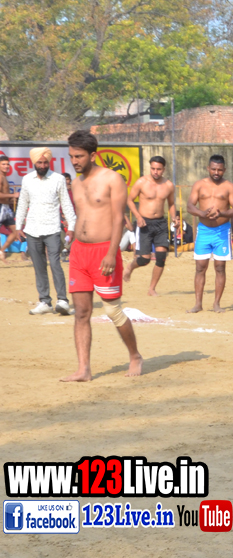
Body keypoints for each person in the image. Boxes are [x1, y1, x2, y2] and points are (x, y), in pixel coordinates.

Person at [60, 130, 142, 381]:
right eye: (71, 156)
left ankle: (135, 356)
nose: (74, 161)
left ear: (93, 155)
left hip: (104, 251)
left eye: (79, 156)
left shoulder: (112, 179)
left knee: (112, 310)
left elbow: (118, 219)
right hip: (79, 253)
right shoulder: (75, 183)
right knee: (81, 312)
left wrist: (111, 252)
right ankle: (83, 369)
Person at [14, 147, 76, 315]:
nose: (42, 165)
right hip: (32, 229)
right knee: (39, 266)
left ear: (49, 162)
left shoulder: (58, 179)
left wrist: (71, 227)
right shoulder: (27, 179)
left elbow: (66, 203)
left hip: (52, 228)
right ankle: (45, 302)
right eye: (39, 162)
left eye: (45, 162)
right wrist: (19, 226)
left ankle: (62, 300)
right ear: (34, 163)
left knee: (55, 263)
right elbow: (22, 204)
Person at [186, 154, 233, 313]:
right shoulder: (199, 185)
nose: (216, 172)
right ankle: (198, 303)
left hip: (222, 231)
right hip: (204, 230)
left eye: (220, 170)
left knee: (220, 267)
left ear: (224, 170)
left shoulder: (229, 186)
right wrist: (202, 213)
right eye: (213, 169)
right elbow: (190, 206)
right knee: (200, 267)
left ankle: (217, 303)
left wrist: (222, 214)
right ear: (208, 168)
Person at [123, 155, 176, 297]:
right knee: (144, 259)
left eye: (158, 169)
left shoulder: (168, 185)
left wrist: (174, 218)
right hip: (144, 223)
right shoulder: (141, 182)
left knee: (161, 257)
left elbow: (171, 204)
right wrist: (138, 216)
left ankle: (152, 289)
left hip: (161, 223)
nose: (155, 172)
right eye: (153, 169)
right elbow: (129, 200)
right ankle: (130, 267)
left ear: (163, 169)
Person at [0, 154, 19, 261]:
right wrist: (13, 195)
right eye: (3, 164)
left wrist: (10, 199)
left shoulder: (4, 177)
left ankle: (1, 251)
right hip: (1, 208)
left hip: (6, 208)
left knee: (16, 232)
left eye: (7, 164)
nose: (6, 166)